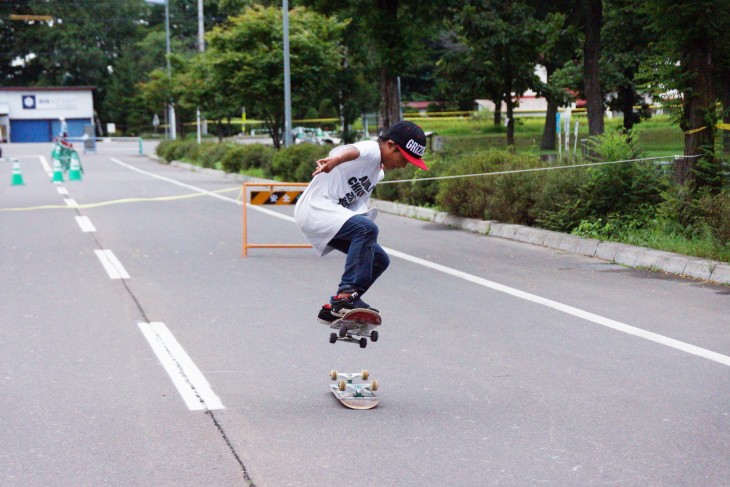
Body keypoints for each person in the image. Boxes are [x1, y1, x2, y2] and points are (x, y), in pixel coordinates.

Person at [294, 121, 429, 323]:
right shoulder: (372, 150)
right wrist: (335, 160)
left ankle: (336, 309)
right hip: (317, 209)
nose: (403, 165)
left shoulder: (377, 171)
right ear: (390, 145)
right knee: (366, 229)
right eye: (404, 158)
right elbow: (353, 150)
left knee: (379, 258)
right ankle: (345, 297)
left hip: (330, 215)